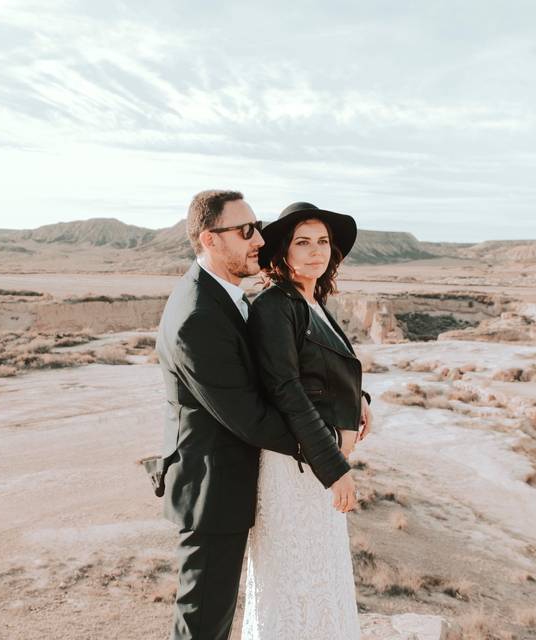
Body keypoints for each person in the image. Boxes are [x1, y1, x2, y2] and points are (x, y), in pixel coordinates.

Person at [152, 191, 357, 640]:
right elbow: (252, 415)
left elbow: (301, 373)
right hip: (213, 486)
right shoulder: (197, 315)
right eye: (246, 231)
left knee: (219, 613)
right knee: (204, 619)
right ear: (210, 239)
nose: (259, 239)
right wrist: (328, 456)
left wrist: (352, 409)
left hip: (237, 477)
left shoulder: (225, 297)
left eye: (257, 227)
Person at [241, 202, 373, 640]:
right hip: (299, 466)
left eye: (323, 242)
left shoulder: (311, 299)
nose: (316, 252)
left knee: (320, 576)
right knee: (295, 577)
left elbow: (328, 369)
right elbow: (286, 388)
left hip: (314, 465)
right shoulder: (274, 304)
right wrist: (335, 469)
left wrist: (360, 402)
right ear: (282, 250)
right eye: (303, 242)